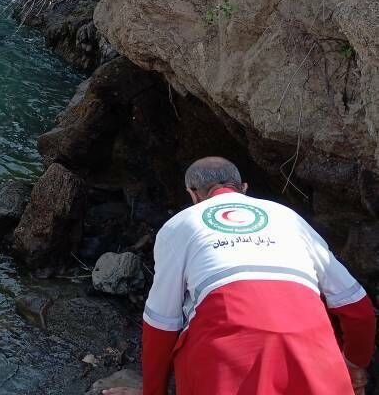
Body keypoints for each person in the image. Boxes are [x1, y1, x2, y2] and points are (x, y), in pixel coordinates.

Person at [103, 156, 376, 395]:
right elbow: (358, 308)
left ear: (193, 195)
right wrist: (352, 365)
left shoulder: (179, 225)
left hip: (228, 362)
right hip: (313, 357)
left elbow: (161, 325)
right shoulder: (288, 217)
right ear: (244, 188)